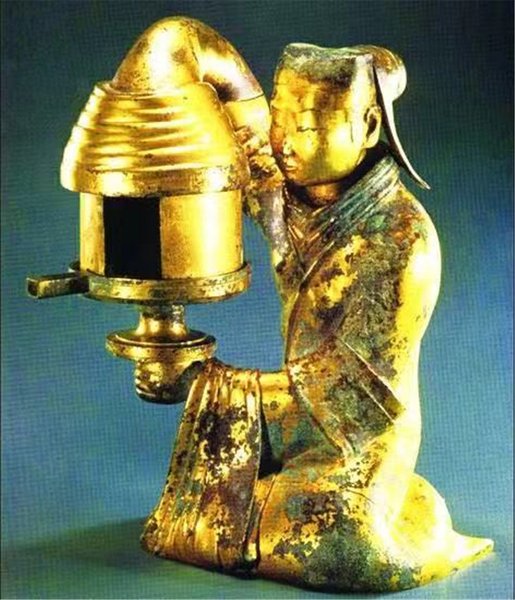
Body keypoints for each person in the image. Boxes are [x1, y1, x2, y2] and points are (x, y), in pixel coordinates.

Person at [140, 42, 493, 591]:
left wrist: (204, 385)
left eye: (305, 126)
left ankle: (273, 508)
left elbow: (347, 399)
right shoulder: (293, 199)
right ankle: (252, 504)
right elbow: (244, 120)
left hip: (359, 441)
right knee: (247, 503)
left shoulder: (401, 242)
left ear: (369, 126)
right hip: (295, 426)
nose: (283, 141)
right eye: (280, 119)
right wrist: (178, 55)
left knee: (338, 545)